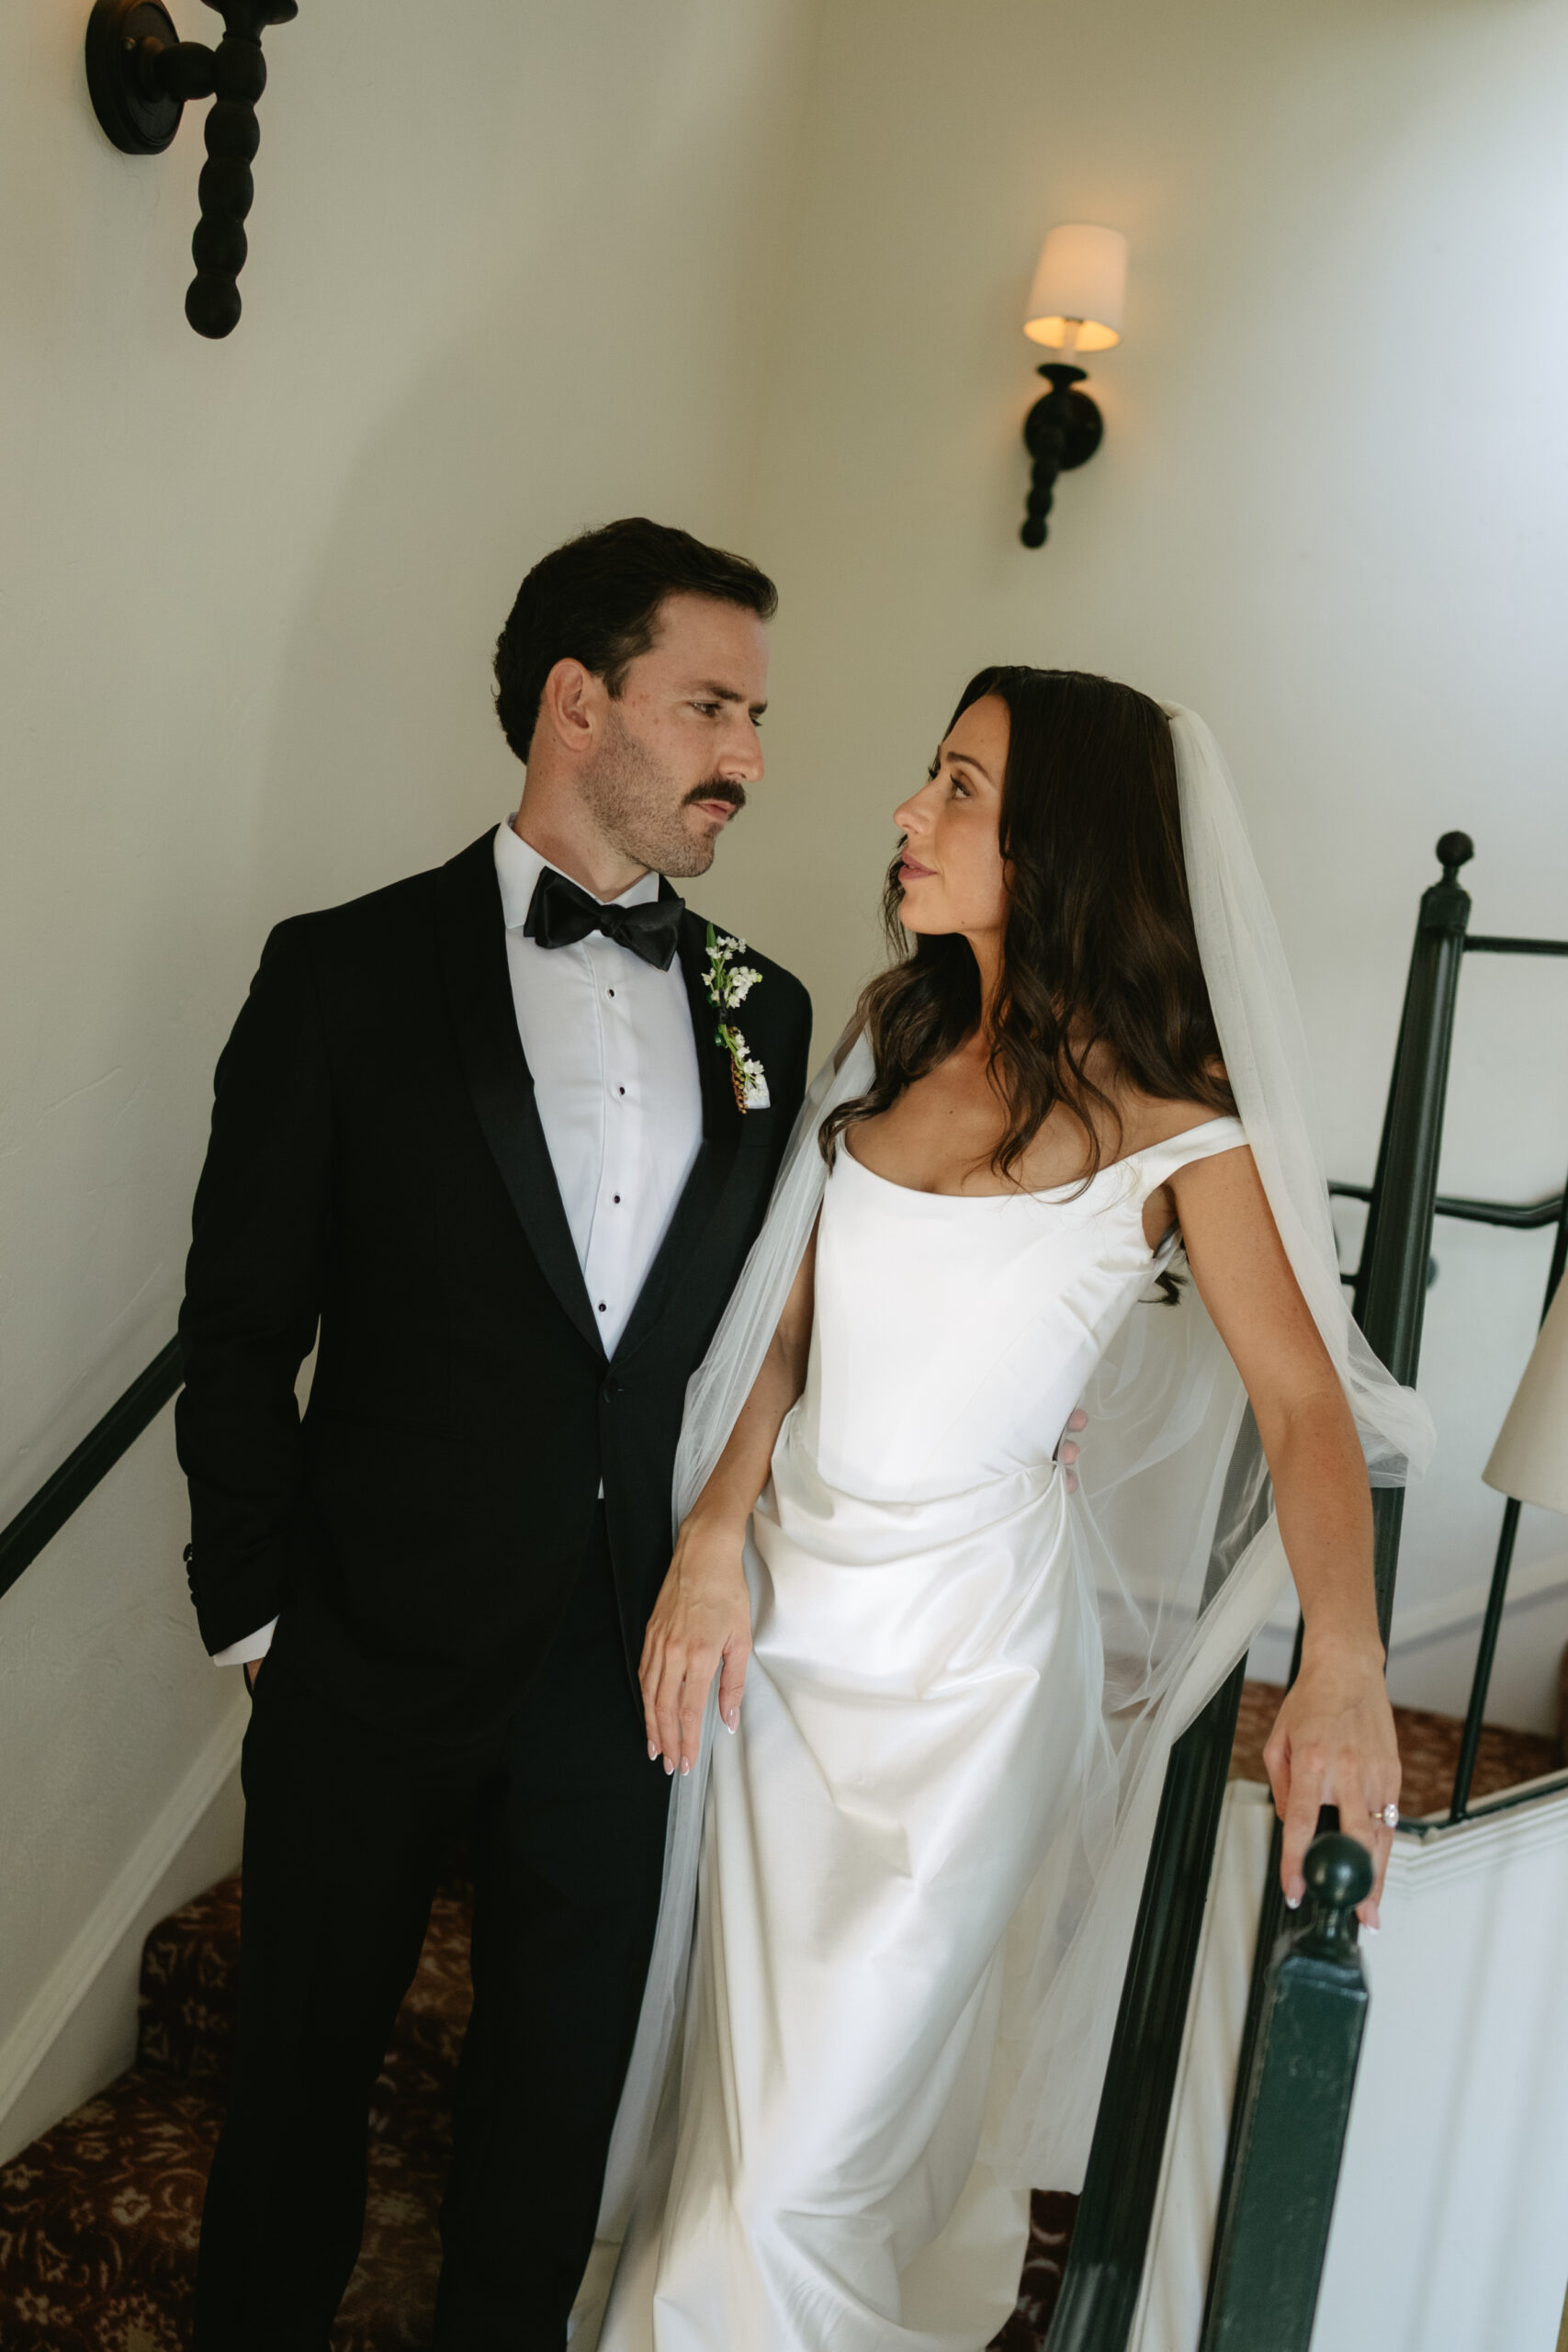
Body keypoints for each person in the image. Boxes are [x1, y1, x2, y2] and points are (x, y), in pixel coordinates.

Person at [593, 668, 1433, 2351]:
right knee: (741, 2139)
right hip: (782, 1665)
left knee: (794, 2187)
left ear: (1060, 841)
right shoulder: (884, 1046)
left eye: (959, 788)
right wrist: (708, 1542)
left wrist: (1340, 1657)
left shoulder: (1175, 1124)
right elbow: (787, 1339)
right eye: (929, 780)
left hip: (970, 1689)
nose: (908, 813)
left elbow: (1303, 1408)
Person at [175, 517, 813, 2350]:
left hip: (626, 1662)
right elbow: (237, 1327)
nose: (746, 760)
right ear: (572, 701)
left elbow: (781, 1305)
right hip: (360, 1644)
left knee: (545, 2135)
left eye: (756, 716)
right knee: (290, 2102)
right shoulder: (342, 973)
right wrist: (260, 1615)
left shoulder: (758, 1016)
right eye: (710, 705)